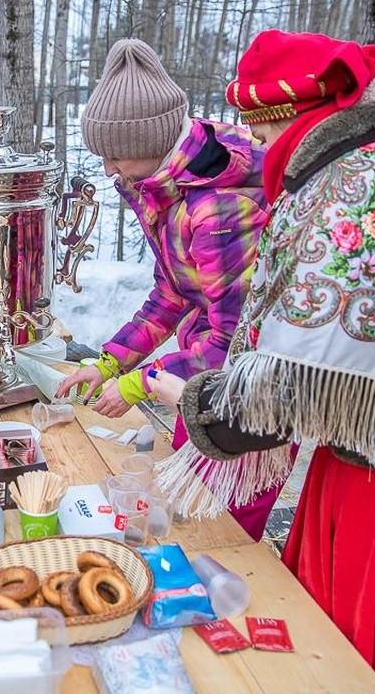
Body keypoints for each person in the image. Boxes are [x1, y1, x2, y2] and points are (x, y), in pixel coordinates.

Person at [147, 30, 375, 694]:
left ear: (293, 120)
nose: (265, 153)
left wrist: (186, 402)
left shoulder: (350, 192)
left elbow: (276, 397)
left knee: (363, 665)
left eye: (264, 135)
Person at [55, 38, 282, 540]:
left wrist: (138, 384)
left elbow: (233, 345)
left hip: (245, 408)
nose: (108, 170)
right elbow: (171, 295)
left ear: (151, 142)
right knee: (174, 515)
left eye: (115, 156)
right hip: (193, 385)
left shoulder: (220, 207)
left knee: (217, 537)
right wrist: (110, 362)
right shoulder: (166, 185)